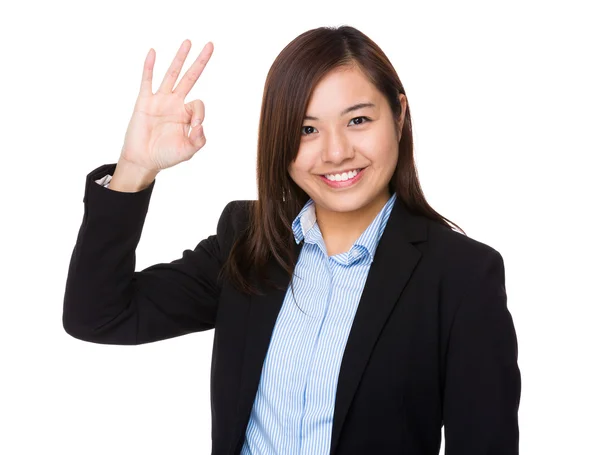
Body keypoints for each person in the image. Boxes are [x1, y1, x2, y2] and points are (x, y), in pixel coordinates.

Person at [63, 25, 521, 455]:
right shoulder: (247, 240)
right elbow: (99, 316)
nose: (336, 151)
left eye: (358, 120)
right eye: (307, 129)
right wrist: (135, 169)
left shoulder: (461, 276)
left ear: (399, 115)